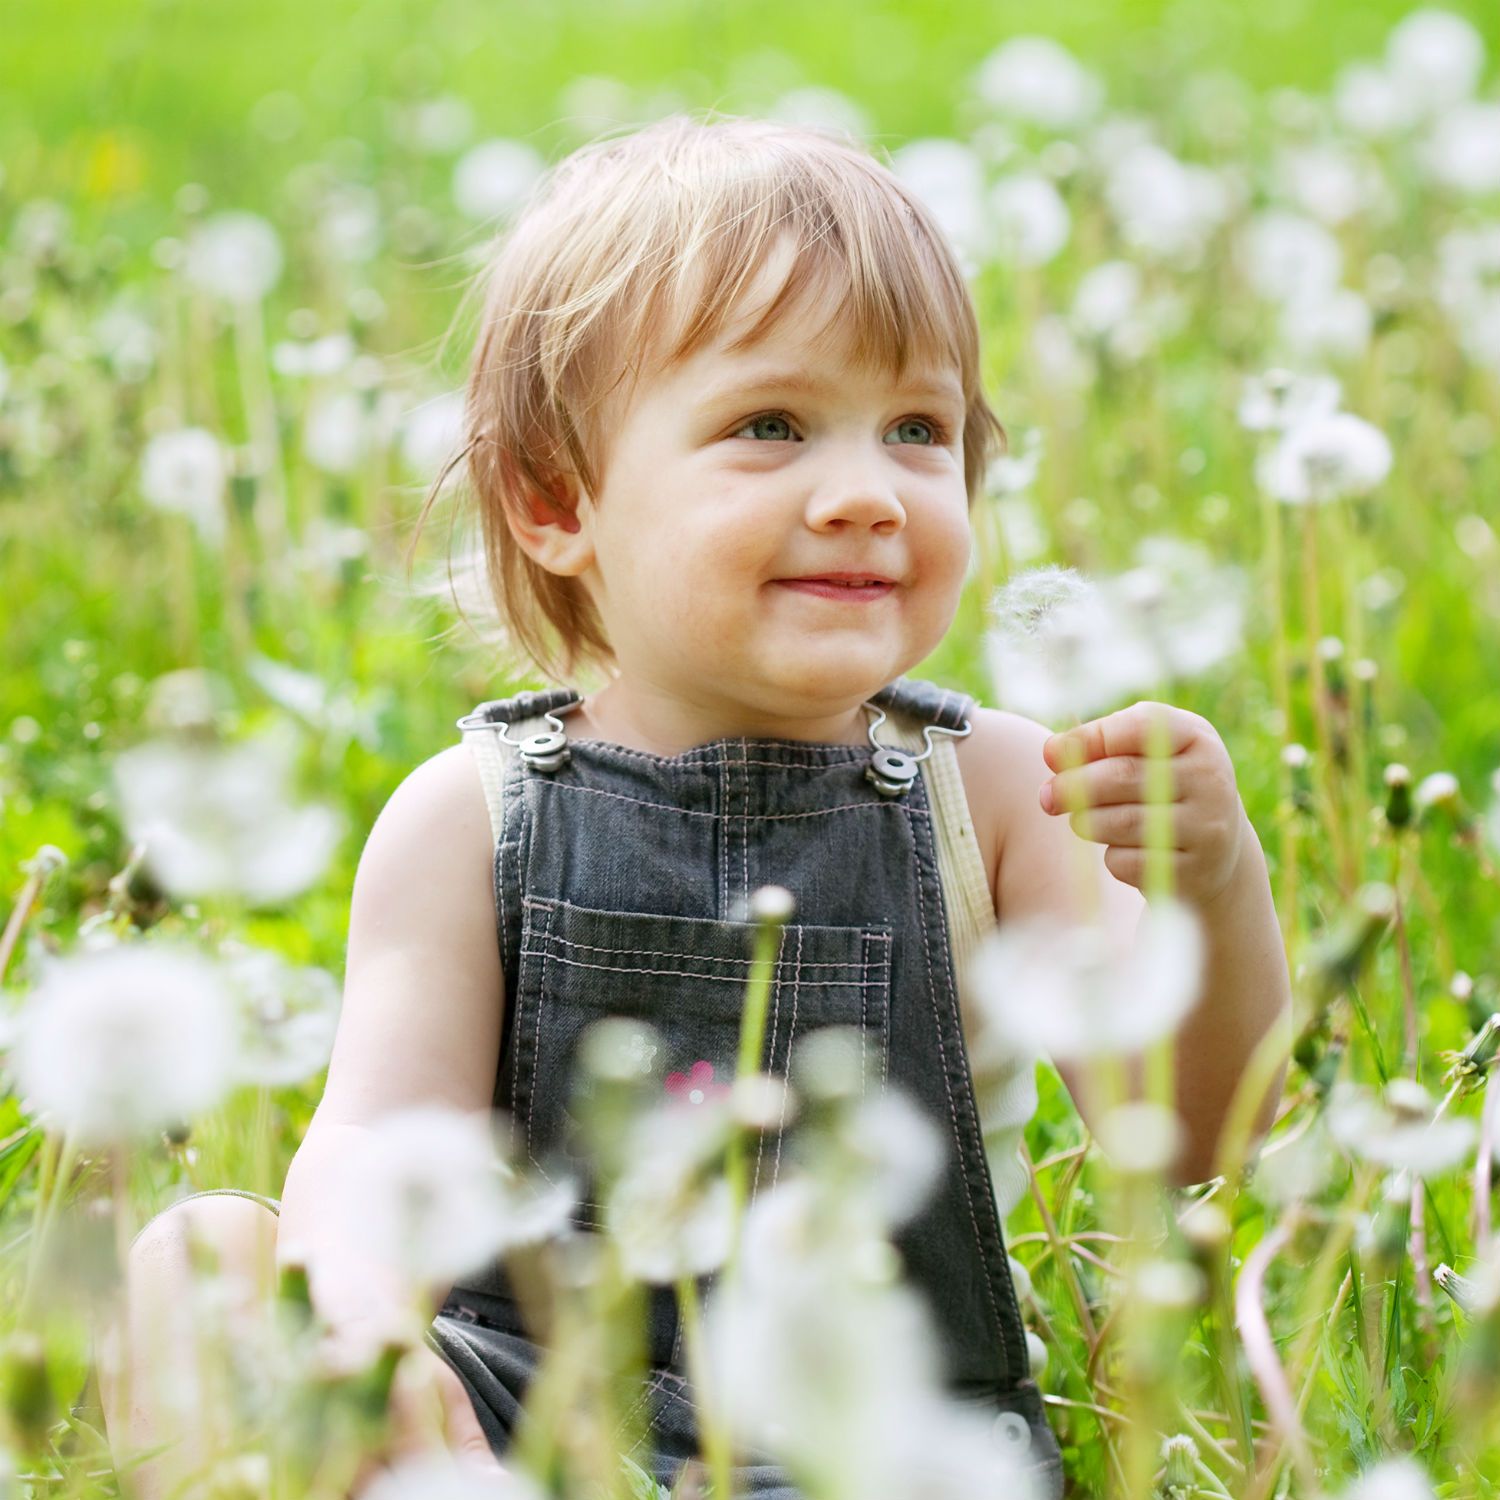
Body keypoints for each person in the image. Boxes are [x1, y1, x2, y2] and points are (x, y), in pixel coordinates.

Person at [94, 112, 1292, 1499]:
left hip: (879, 1438)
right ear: (555, 500)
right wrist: (359, 1313)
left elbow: (1197, 1135)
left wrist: (1215, 884)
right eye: (770, 425)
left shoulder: (1005, 795)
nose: (867, 495)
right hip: (522, 1422)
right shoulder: (467, 818)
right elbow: (375, 1139)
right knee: (199, 1266)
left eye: (919, 429)